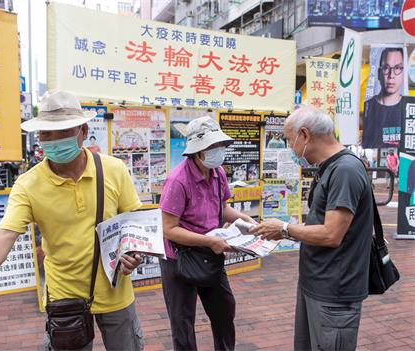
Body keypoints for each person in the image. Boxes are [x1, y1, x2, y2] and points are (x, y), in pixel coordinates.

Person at [0, 91, 145, 351]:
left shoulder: (113, 169)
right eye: (45, 133)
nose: (51, 141)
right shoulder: (28, 184)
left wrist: (132, 252)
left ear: (83, 131)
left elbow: (132, 220)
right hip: (64, 297)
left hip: (115, 290)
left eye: (61, 132)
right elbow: (5, 232)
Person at [252, 106, 373, 351]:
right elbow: (321, 224)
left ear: (305, 135)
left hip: (334, 292)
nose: (289, 147)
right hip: (317, 283)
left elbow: (331, 234)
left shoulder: (345, 171)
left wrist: (285, 229)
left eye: (289, 139)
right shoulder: (329, 167)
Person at [159, 116, 258, 351]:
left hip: (210, 252)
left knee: (224, 310)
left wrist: (247, 221)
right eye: (211, 147)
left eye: (219, 145)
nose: (217, 151)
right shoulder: (177, 180)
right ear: (197, 151)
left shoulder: (218, 173)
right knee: (182, 323)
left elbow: (222, 208)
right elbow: (168, 229)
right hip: (179, 257)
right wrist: (209, 241)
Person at [363, 47, 404, 148]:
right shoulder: (368, 106)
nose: (391, 75)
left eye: (398, 68)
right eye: (386, 68)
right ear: (378, 73)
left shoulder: (409, 108)